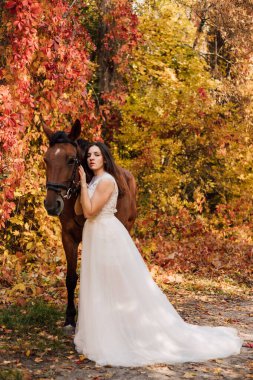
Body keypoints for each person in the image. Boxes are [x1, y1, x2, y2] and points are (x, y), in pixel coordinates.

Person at [74, 142, 242, 367]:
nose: (92, 158)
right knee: (98, 285)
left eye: (97, 154)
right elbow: (78, 209)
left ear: (105, 158)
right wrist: (82, 186)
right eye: (89, 155)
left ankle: (121, 333)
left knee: (113, 285)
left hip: (106, 235)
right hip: (95, 234)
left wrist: (84, 184)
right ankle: (102, 330)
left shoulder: (106, 181)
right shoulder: (94, 181)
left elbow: (89, 211)